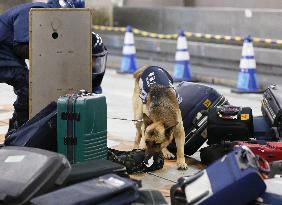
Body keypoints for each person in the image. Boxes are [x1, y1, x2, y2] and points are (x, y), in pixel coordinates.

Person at [0, 0, 85, 134]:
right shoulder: (38, 11)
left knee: (28, 87)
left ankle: (18, 130)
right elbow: (22, 47)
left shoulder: (46, 15)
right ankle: (20, 132)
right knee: (28, 88)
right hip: (4, 52)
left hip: (7, 52)